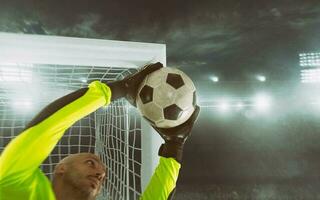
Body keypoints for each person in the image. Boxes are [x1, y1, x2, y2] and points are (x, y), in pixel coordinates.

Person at [0, 62, 200, 200]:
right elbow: (46, 128)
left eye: (100, 171)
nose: (101, 172)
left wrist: (175, 144)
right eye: (91, 162)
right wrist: (120, 88)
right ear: (61, 167)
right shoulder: (15, 182)